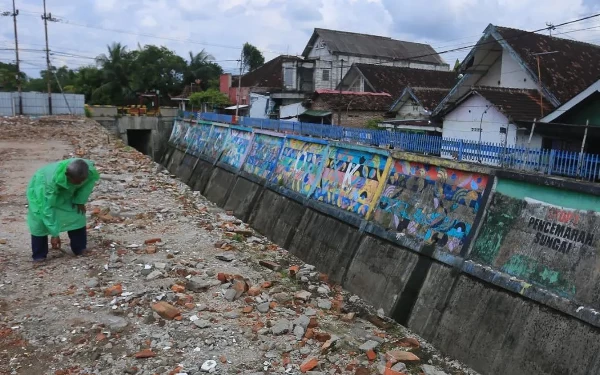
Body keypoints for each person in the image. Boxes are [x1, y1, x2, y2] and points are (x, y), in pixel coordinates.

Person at [26, 158, 100, 262]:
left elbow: (88, 184)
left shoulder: (88, 170)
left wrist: (80, 201)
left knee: (76, 215)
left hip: (66, 190)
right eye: (76, 181)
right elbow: (47, 208)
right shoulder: (49, 182)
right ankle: (39, 255)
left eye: (81, 181)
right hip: (43, 188)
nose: (79, 183)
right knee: (39, 219)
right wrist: (55, 234)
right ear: (67, 175)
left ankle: (79, 248)